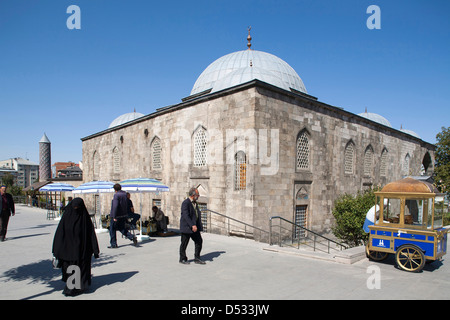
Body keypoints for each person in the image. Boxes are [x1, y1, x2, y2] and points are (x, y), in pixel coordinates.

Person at [52, 198, 100, 296]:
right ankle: (71, 288)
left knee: (80, 268)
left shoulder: (85, 219)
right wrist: (56, 250)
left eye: (78, 207)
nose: (76, 209)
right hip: (68, 250)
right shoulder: (66, 217)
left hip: (82, 250)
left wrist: (95, 250)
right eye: (74, 207)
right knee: (70, 268)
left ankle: (79, 287)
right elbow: (60, 234)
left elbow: (91, 234)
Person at [179, 187, 205, 265]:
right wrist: (192, 225)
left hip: (195, 227)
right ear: (193, 195)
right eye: (198, 195)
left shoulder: (195, 203)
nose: (198, 196)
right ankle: (182, 258)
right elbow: (186, 216)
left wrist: (197, 225)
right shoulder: (185, 203)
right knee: (184, 243)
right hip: (187, 227)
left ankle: (197, 258)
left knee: (199, 241)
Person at [109, 184, 137, 248]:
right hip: (123, 215)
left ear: (115, 189)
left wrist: (114, 216)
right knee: (121, 228)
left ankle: (113, 244)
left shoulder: (116, 195)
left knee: (112, 229)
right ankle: (131, 237)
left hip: (117, 215)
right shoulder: (124, 194)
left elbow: (115, 206)